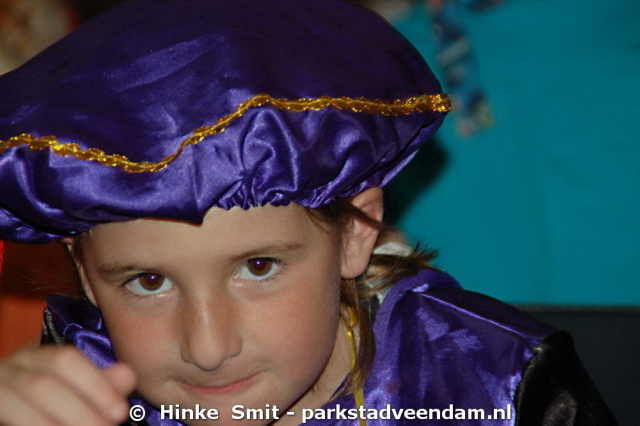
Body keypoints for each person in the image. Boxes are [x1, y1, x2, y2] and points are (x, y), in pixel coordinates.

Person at [0, 0, 616, 425]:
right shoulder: (76, 396)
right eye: (148, 281)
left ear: (355, 232)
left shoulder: (495, 386)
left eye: (259, 267)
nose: (208, 347)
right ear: (86, 275)